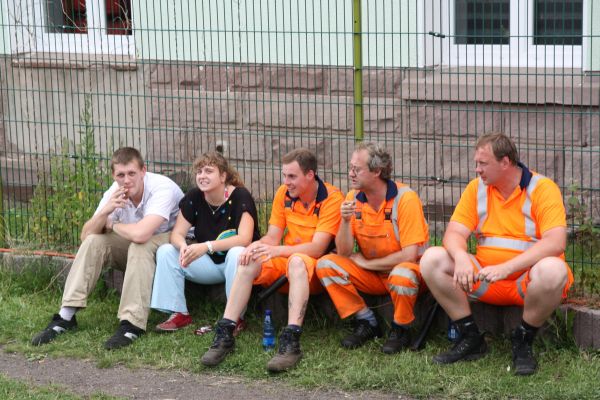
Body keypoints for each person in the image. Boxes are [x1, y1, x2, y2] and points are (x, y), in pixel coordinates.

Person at [420, 133, 573, 376]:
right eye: (476, 163)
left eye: (483, 163)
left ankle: (523, 341)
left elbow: (556, 242)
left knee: (554, 269)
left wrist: (507, 268)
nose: (477, 169)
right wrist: (461, 257)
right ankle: (471, 338)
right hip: (486, 280)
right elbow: (453, 233)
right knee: (432, 259)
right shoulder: (476, 189)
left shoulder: (542, 188)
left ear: (506, 162)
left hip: (527, 283)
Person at [200, 148, 343, 372]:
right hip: (288, 259)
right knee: (249, 260)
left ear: (310, 175)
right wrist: (258, 246)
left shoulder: (332, 198)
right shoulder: (283, 194)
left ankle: (291, 341)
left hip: (314, 269)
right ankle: (226, 332)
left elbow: (317, 248)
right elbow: (273, 237)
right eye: (284, 176)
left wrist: (276, 251)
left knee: (297, 260)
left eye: (292, 176)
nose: (286, 182)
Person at [31, 147, 184, 349]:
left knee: (140, 244)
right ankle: (65, 316)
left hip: (175, 246)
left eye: (132, 173)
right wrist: (106, 211)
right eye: (121, 175)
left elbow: (141, 234)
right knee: (95, 242)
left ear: (143, 171)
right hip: (139, 246)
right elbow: (86, 235)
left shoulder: (161, 188)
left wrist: (112, 225)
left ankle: (132, 324)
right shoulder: (114, 192)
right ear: (114, 175)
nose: (127, 180)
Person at [316, 142, 429, 354]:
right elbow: (343, 253)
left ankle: (400, 328)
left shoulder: (406, 199)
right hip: (373, 276)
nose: (351, 174)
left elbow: (410, 255)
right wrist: (346, 221)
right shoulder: (352, 198)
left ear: (377, 171)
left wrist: (367, 263)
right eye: (350, 168)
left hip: (408, 274)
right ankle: (366, 321)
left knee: (403, 274)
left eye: (357, 169)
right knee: (326, 265)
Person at [150, 152, 260, 333]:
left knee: (237, 252)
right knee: (167, 251)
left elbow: (245, 238)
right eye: (199, 172)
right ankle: (179, 313)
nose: (202, 176)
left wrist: (207, 246)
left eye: (209, 171)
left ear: (223, 176)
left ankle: (235, 318)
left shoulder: (240, 196)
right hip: (210, 264)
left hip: (241, 265)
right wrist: (183, 246)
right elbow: (177, 233)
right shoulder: (194, 197)